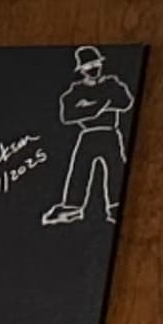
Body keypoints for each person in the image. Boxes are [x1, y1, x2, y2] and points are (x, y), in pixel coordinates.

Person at [44, 45, 134, 225]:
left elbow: (125, 102)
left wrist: (90, 106)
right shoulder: (76, 91)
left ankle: (116, 206)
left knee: (115, 168)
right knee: (80, 168)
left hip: (110, 132)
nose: (93, 69)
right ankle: (71, 207)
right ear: (81, 70)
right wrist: (101, 105)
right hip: (88, 134)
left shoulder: (111, 83)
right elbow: (68, 115)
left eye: (95, 64)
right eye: (88, 66)